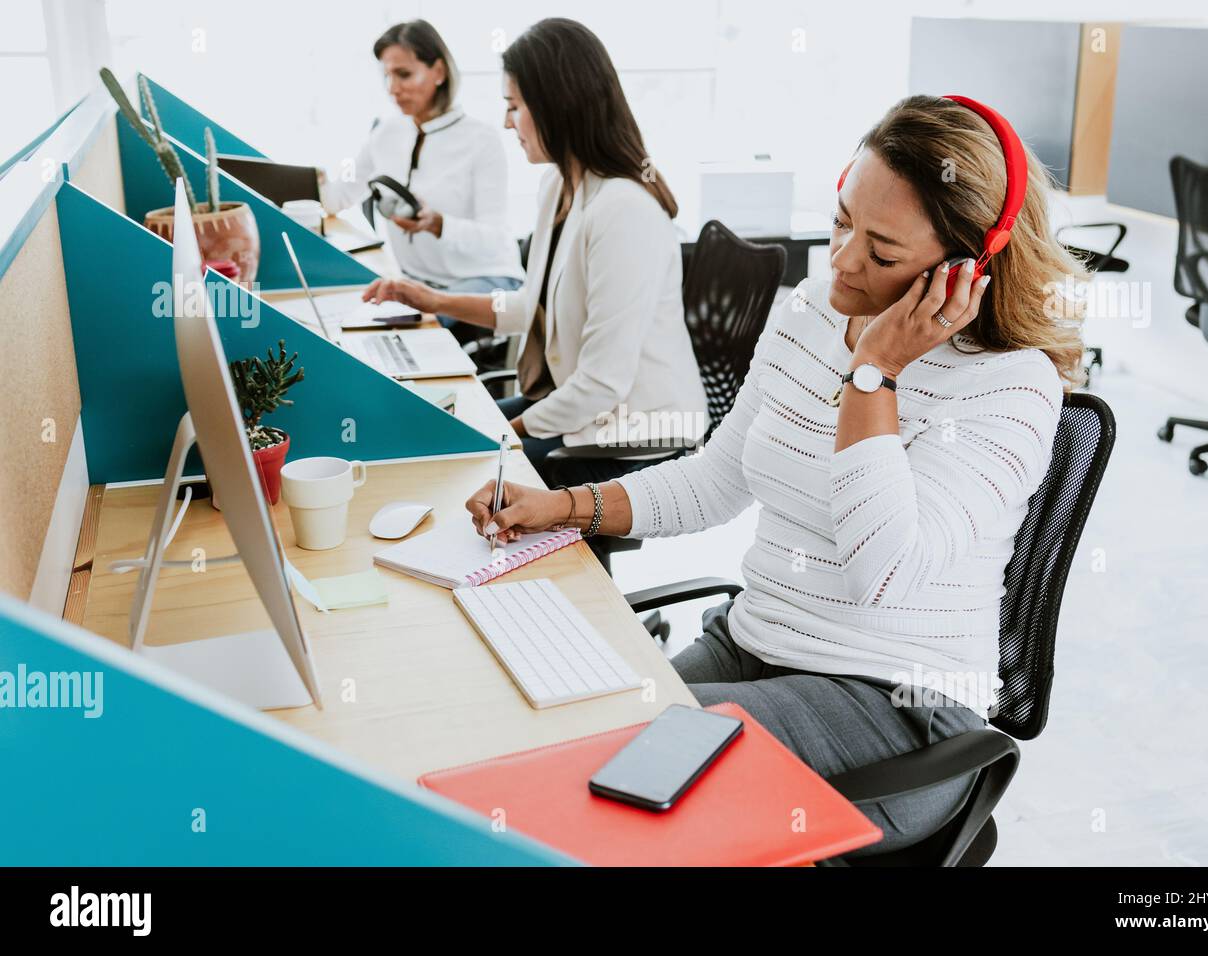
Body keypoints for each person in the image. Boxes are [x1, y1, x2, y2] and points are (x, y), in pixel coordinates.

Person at [462, 94, 1087, 855]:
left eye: (883, 252)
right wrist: (561, 505)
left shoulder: (1010, 387)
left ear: (968, 269)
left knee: (609, 772)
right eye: (841, 220)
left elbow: (881, 572)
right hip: (757, 646)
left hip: (897, 717)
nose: (843, 261)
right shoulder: (810, 312)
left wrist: (875, 374)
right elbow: (717, 480)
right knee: (565, 723)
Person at [362, 18, 709, 484]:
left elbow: (603, 384)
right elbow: (534, 305)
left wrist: (503, 434)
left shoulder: (624, 212)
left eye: (514, 106)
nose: (507, 122)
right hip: (584, 406)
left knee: (473, 467)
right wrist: (435, 300)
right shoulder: (559, 186)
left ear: (555, 108)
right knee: (443, 435)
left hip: (639, 427)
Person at [319, 19, 523, 338]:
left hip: (483, 280)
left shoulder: (481, 140)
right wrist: (308, 180)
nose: (392, 88)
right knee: (359, 321)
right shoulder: (386, 133)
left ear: (439, 72)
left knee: (405, 333)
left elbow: (496, 239)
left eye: (404, 74)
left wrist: (439, 223)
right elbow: (336, 199)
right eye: (387, 75)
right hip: (419, 280)